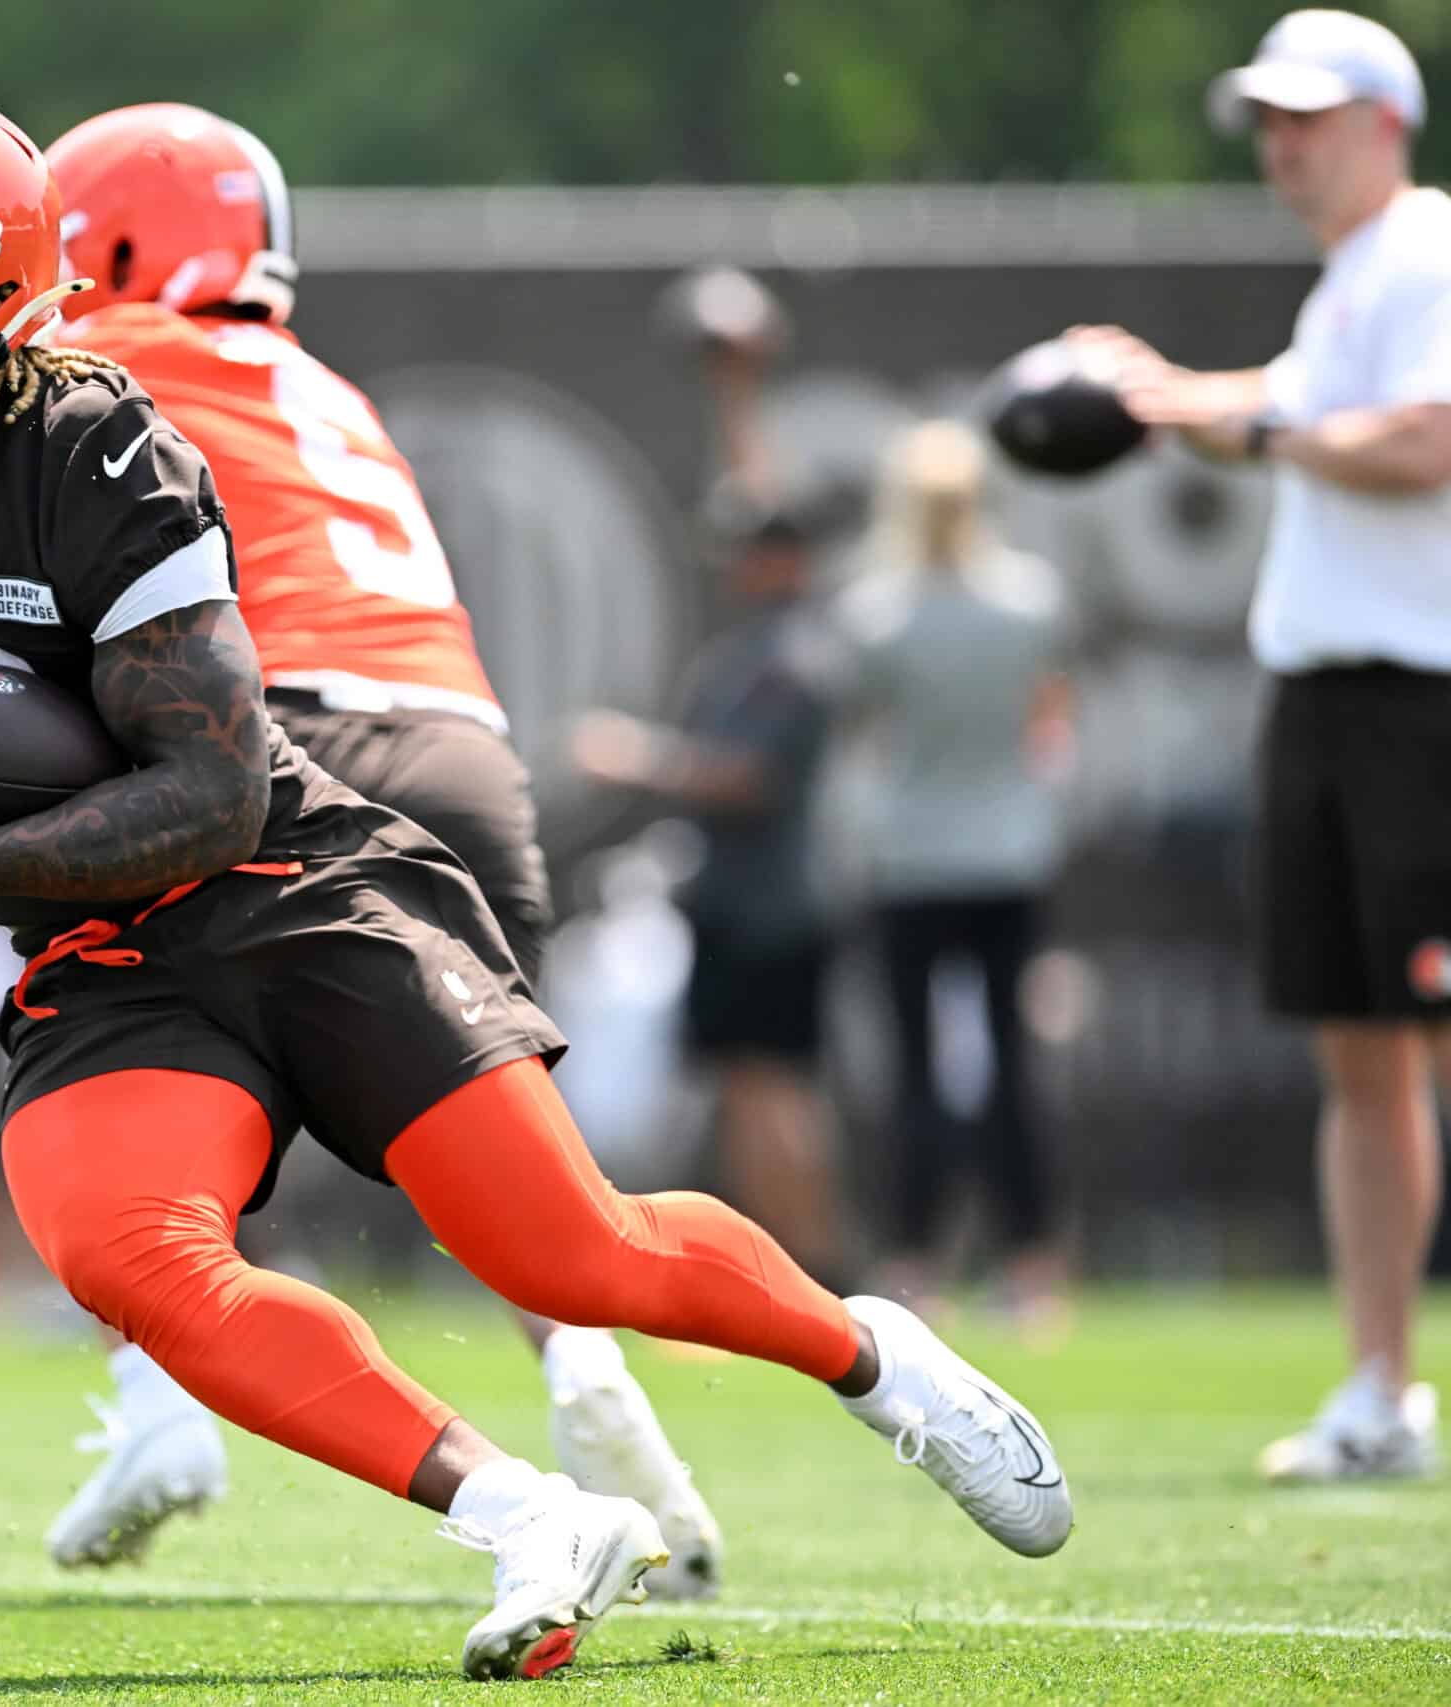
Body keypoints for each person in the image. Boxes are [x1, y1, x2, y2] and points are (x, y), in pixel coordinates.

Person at [0, 86, 1070, 1681]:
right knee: (125, 1251)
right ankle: (526, 1515)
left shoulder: (96, 450)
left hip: (290, 884)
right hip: (100, 941)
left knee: (572, 1252)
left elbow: (212, 789)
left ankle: (872, 1354)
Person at [32, 101, 721, 1596]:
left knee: (90, 1020)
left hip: (288, 743)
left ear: (111, 239)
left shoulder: (105, 367)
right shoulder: (321, 384)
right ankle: (588, 1361)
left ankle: (158, 1399)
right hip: (469, 751)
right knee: (499, 1152)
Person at [1073, 8, 1451, 1483]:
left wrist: (1237, 425)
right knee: (1360, 1056)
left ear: (1385, 119)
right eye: (1270, 120)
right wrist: (1162, 393)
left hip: (1423, 703)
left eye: (1309, 117)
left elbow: (1424, 440)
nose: (1282, 146)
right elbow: (1290, 410)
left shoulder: (1424, 246)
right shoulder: (1356, 278)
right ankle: (1380, 1390)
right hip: (1327, 703)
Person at [571, 304, 853, 1286]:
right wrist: (731, 392)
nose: (732, 559)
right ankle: (774, 1276)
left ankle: (818, 1269)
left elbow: (749, 777)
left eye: (750, 547)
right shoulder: (767, 638)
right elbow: (754, 493)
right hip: (743, 900)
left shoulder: (796, 651)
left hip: (771, 901)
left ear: (786, 558)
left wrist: (636, 759)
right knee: (742, 1086)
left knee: (773, 1089)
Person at [832, 421, 1074, 1327]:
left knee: (915, 1069)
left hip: (909, 859)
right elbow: (1049, 724)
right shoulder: (1029, 602)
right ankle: (1032, 1269)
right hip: (1010, 853)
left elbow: (866, 735)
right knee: (1011, 1060)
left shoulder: (875, 614)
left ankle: (914, 1267)